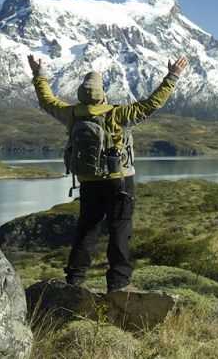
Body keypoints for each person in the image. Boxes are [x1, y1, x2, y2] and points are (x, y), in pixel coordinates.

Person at [27, 54, 189, 292]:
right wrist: (172, 76)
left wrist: (39, 74)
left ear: (80, 97)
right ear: (103, 95)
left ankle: (75, 279)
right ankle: (118, 282)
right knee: (120, 229)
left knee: (87, 228)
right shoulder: (118, 113)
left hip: (88, 181)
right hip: (119, 181)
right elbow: (152, 104)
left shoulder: (71, 114)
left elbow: (47, 100)